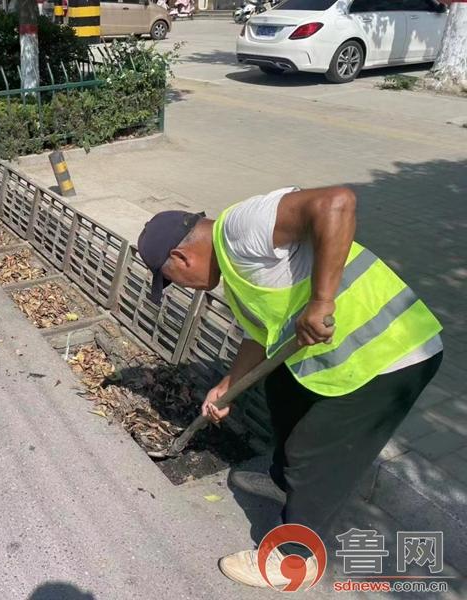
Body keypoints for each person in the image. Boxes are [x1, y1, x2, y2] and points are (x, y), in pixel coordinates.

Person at [136, 186, 443, 589]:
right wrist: (229, 385)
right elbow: (259, 335)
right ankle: (289, 484)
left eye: (172, 280)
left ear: (180, 257)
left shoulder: (241, 227)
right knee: (281, 393)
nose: (185, 286)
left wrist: (321, 301)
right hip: (341, 358)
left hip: (390, 353)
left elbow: (337, 202)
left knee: (312, 450)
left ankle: (295, 558)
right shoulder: (234, 273)